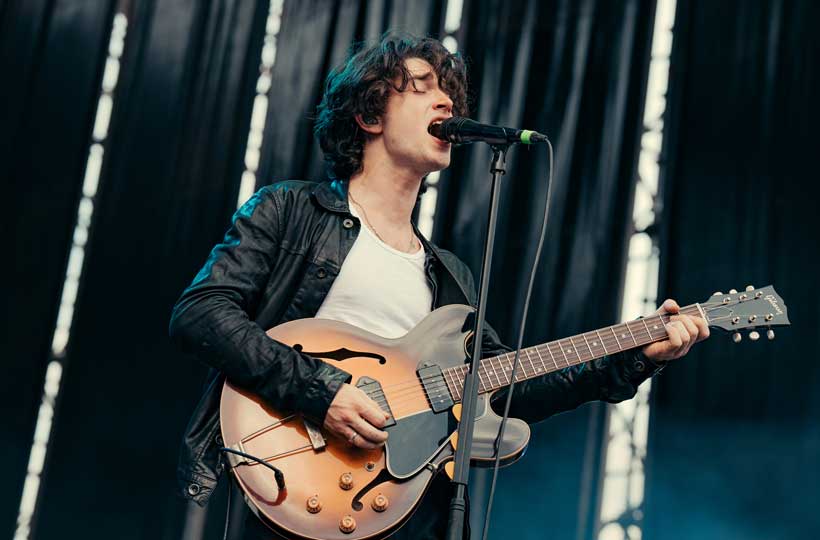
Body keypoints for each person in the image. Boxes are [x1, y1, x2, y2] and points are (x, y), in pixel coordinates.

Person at [169, 34, 708, 539]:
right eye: (422, 87)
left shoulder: (449, 276)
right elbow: (201, 313)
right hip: (295, 479)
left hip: (404, 509)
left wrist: (635, 357)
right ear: (368, 115)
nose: (447, 101)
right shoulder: (290, 211)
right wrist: (321, 391)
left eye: (448, 91)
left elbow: (509, 389)